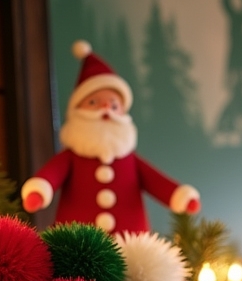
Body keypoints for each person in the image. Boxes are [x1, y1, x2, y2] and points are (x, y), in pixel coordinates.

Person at [21, 42, 200, 234]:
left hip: (131, 245)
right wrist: (38, 191)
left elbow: (156, 181)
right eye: (93, 102)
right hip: (76, 244)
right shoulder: (71, 157)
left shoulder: (130, 160)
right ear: (77, 110)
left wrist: (179, 196)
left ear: (123, 113)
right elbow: (51, 175)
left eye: (114, 105)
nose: (105, 108)